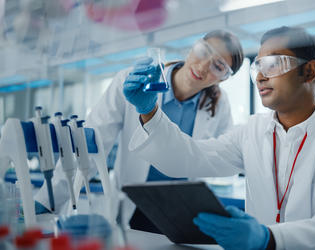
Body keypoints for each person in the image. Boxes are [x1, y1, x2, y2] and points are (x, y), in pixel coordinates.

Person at [125, 26, 315, 250]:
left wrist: (268, 239)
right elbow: (189, 158)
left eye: (273, 64)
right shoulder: (253, 131)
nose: (259, 76)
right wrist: (149, 111)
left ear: (309, 71)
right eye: (257, 66)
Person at [34, 30, 244, 225]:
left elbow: (225, 155)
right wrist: (48, 198)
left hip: (183, 209)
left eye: (218, 66)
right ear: (193, 47)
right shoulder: (133, 82)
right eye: (203, 52)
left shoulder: (218, 105)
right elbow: (91, 144)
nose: (203, 66)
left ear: (224, 78)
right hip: (134, 204)